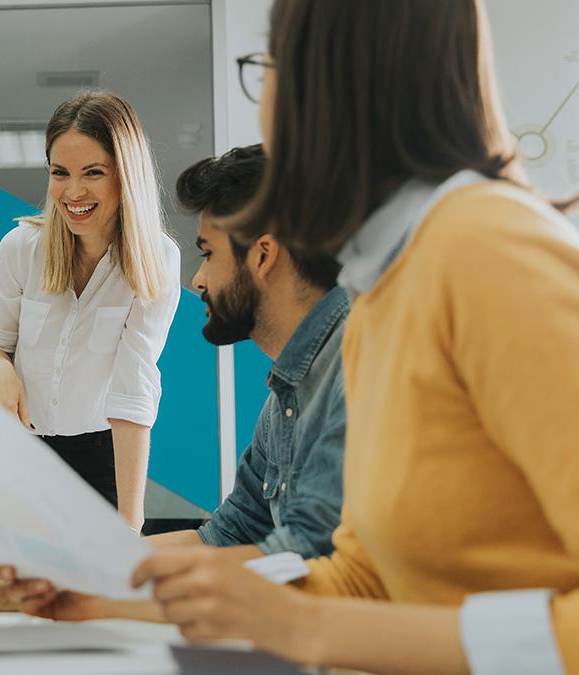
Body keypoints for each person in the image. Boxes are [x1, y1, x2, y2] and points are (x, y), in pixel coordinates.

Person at [124, 1, 579, 673]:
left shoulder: (484, 247)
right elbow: (363, 579)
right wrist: (94, 591)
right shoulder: (378, 294)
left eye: (268, 68)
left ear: (326, 83)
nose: (265, 105)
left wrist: (298, 623)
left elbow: (323, 616)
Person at [0, 145, 348, 613]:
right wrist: (42, 570)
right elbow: (226, 537)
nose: (197, 279)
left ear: (262, 256)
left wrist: (55, 592)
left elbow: (310, 567)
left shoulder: (359, 374)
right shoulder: (290, 391)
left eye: (208, 253)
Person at [0, 91, 182, 530]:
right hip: (21, 452)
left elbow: (133, 391)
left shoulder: (155, 261)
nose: (73, 192)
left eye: (93, 173)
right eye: (59, 173)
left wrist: (130, 521)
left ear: (125, 175)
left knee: (96, 589)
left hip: (102, 459)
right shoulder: (20, 249)